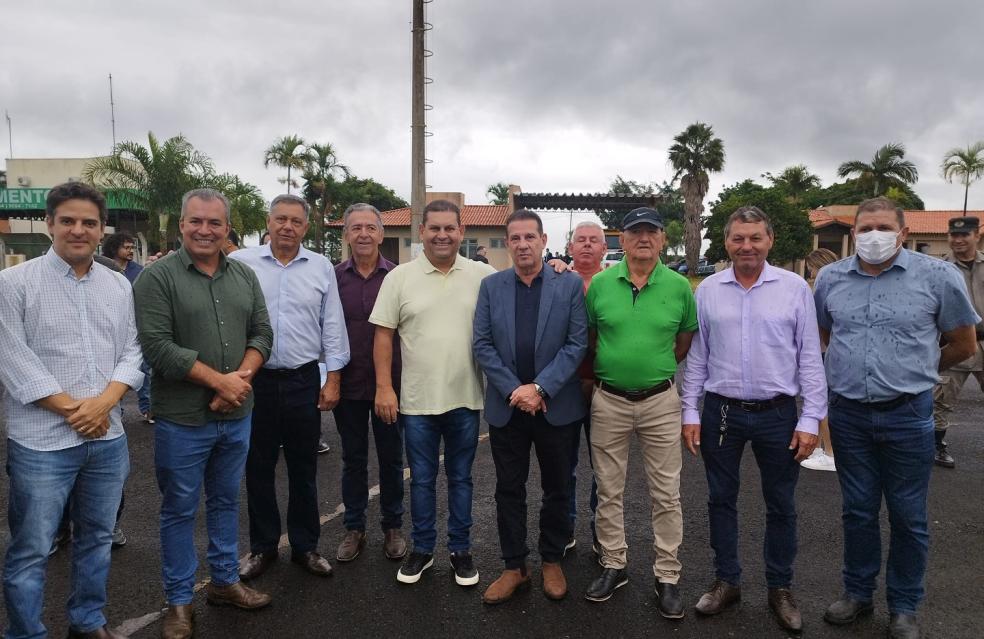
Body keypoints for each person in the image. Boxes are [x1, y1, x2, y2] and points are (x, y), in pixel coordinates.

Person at [814, 197, 978, 639]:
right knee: (858, 511)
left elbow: (965, 344)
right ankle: (857, 593)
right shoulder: (830, 279)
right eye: (864, 228)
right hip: (848, 415)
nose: (873, 235)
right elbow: (824, 335)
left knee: (909, 515)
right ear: (853, 234)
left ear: (903, 233)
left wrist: (920, 368)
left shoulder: (937, 276)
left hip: (908, 414)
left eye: (883, 227)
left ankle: (904, 606)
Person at [0, 182, 143, 639]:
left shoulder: (118, 285)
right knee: (31, 549)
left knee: (97, 539)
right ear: (48, 224)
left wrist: (104, 404)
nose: (78, 230)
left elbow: (133, 350)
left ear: (102, 230)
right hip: (40, 444)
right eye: (68, 221)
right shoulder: (13, 284)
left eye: (88, 222)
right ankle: (25, 632)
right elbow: (12, 357)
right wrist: (73, 410)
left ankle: (87, 622)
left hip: (107, 440)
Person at [133, 188, 274, 639]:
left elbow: (263, 333)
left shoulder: (244, 277)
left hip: (237, 414)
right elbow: (157, 347)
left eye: (214, 223)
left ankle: (225, 583)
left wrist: (240, 380)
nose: (205, 230)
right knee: (178, 509)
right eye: (196, 221)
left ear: (227, 228)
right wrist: (219, 382)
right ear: (181, 225)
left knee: (226, 501)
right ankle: (179, 601)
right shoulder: (156, 280)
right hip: (182, 420)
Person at [680, 206, 826, 633]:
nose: (746, 246)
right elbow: (698, 359)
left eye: (755, 238)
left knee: (781, 503)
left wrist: (811, 418)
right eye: (738, 238)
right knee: (720, 498)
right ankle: (728, 580)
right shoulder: (708, 290)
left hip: (778, 414)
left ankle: (780, 586)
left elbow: (809, 359)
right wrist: (690, 412)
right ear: (726, 242)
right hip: (720, 411)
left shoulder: (794, 288)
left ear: (770, 240)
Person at [370, 199, 496, 586]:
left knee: (461, 480)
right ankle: (422, 550)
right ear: (421, 232)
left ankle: (460, 550)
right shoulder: (400, 278)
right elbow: (383, 335)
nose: (442, 235)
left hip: (465, 399)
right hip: (416, 403)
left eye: (450, 228)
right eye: (434, 228)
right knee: (421, 481)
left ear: (461, 232)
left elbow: (522, 285)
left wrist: (557, 266)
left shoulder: (482, 275)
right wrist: (384, 388)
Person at [583, 207, 697, 618]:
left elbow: (682, 343)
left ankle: (667, 575)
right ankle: (615, 564)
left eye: (652, 232)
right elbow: (592, 338)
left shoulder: (680, 286)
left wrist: (649, 370)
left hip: (660, 401)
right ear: (623, 241)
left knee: (665, 494)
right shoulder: (599, 285)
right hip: (609, 400)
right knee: (609, 490)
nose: (643, 239)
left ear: (663, 240)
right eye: (635, 233)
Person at [229, 194, 350, 581]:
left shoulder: (320, 267)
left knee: (304, 468)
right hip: (255, 381)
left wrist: (332, 378)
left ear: (305, 226)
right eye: (280, 219)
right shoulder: (241, 263)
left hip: (302, 379)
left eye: (296, 221)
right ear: (269, 221)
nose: (287, 227)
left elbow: (332, 324)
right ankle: (263, 548)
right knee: (258, 466)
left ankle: (306, 546)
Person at [473, 210, 587, 603]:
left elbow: (576, 344)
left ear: (543, 240)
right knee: (508, 489)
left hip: (556, 407)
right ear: (508, 243)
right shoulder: (492, 286)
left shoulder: (568, 285)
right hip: (509, 408)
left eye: (529, 237)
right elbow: (483, 345)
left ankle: (552, 560)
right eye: (515, 238)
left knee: (558, 487)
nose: (522, 244)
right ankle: (514, 567)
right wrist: (515, 391)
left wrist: (540, 388)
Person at [333, 204, 408, 562]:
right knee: (353, 459)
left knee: (392, 459)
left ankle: (393, 526)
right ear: (346, 234)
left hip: (389, 387)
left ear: (381, 233)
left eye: (370, 228)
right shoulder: (332, 278)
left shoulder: (398, 278)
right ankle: (354, 527)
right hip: (347, 385)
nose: (363, 234)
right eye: (355, 228)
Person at [560, 222, 607, 551]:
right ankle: (564, 528)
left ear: (605, 249)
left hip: (606, 387)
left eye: (594, 241)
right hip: (565, 386)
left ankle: (600, 530)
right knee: (564, 464)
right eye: (581, 240)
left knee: (604, 467)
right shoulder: (558, 281)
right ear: (570, 247)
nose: (587, 245)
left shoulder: (616, 283)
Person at [932, 216, 984, 468]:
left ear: (977, 235)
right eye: (954, 235)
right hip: (954, 342)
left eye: (965, 235)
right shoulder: (941, 269)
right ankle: (937, 446)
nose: (959, 239)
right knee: (941, 399)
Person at [800, 247, 839, 472]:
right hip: (824, 349)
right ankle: (820, 446)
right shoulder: (840, 284)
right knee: (818, 400)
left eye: (811, 269)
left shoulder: (823, 288)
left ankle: (830, 452)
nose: (810, 273)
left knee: (821, 402)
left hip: (822, 351)